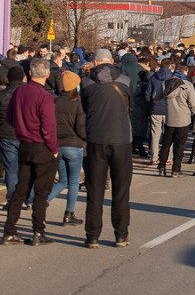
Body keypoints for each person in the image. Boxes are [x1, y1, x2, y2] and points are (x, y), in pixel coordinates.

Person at [2, 59, 59, 246]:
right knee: (41, 191)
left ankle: (10, 230)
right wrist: (54, 149)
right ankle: (38, 231)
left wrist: (21, 129)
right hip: (41, 146)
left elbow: (10, 117)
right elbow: (49, 126)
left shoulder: (19, 91)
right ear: (47, 75)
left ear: (30, 73)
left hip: (24, 145)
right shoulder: (44, 96)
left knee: (21, 188)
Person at [80, 48, 133, 248]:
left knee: (95, 190)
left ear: (94, 63)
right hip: (121, 138)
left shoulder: (86, 83)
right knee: (121, 190)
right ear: (112, 62)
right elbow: (131, 107)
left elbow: (85, 108)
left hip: (96, 139)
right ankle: (121, 234)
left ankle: (92, 235)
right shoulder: (125, 82)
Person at [47, 71, 86, 226]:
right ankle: (69, 213)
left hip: (58, 144)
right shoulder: (77, 104)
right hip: (74, 144)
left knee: (62, 180)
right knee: (74, 181)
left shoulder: (55, 102)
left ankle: (43, 201)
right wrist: (85, 138)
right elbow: (81, 128)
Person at [157, 65, 195, 177]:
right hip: (183, 118)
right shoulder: (187, 85)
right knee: (180, 145)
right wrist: (191, 112)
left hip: (169, 117)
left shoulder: (165, 83)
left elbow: (156, 96)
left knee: (166, 143)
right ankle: (176, 169)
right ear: (184, 71)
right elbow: (194, 103)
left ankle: (161, 166)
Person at [0, 67, 28, 210]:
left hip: (6, 135)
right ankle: (29, 199)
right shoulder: (28, 93)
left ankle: (12, 200)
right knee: (27, 168)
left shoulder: (2, 94)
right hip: (25, 134)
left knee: (11, 169)